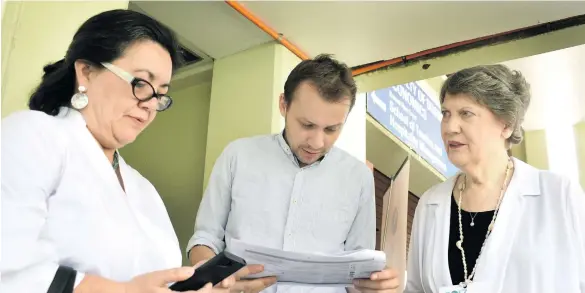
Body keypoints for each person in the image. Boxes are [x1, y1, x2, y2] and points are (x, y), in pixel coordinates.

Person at [0, 9, 236, 293]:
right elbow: (10, 265)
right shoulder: (35, 135)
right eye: (141, 83)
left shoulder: (143, 188)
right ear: (86, 71)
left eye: (160, 94)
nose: (150, 104)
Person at [187, 54, 400, 293]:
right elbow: (205, 238)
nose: (317, 142)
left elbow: (358, 272)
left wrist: (375, 286)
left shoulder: (358, 177)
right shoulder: (238, 155)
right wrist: (211, 275)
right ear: (283, 105)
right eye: (307, 125)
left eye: (331, 129)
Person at [404, 64, 585, 293]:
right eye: (445, 113)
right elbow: (416, 289)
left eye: (465, 113)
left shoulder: (559, 194)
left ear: (506, 125)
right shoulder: (430, 203)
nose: (450, 127)